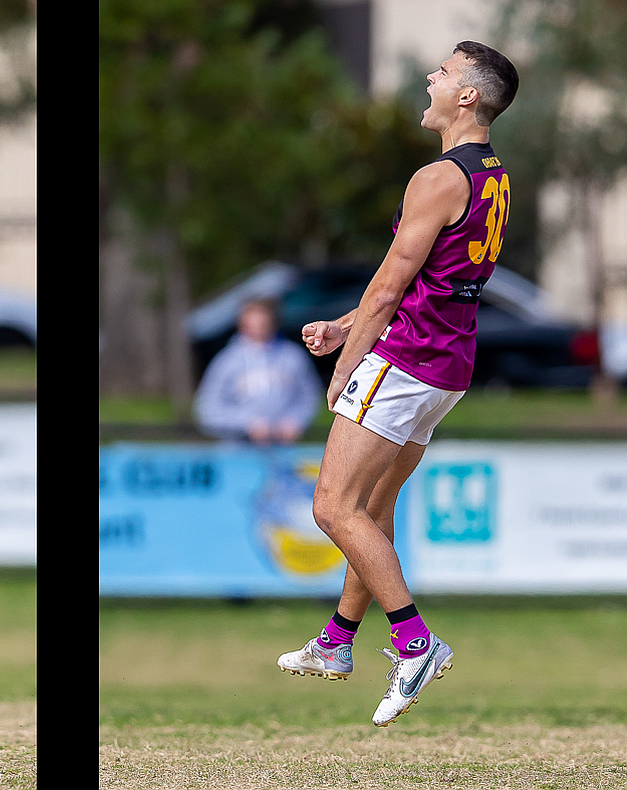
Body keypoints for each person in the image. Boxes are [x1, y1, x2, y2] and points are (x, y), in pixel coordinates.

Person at [274, 41, 519, 727]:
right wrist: (344, 322)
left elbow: (390, 283)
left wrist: (349, 357)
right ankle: (335, 642)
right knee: (373, 509)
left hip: (405, 362)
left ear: (467, 96)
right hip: (447, 364)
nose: (430, 78)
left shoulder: (436, 177)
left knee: (332, 508)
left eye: (441, 73)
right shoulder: (491, 174)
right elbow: (424, 281)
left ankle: (415, 643)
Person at [194, 298, 321, 444]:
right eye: (254, 323)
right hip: (238, 450)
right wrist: (246, 423)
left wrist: (296, 419)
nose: (259, 328)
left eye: (264, 323)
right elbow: (207, 409)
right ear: (242, 324)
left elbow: (310, 395)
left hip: (284, 448)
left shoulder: (293, 357)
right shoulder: (226, 361)